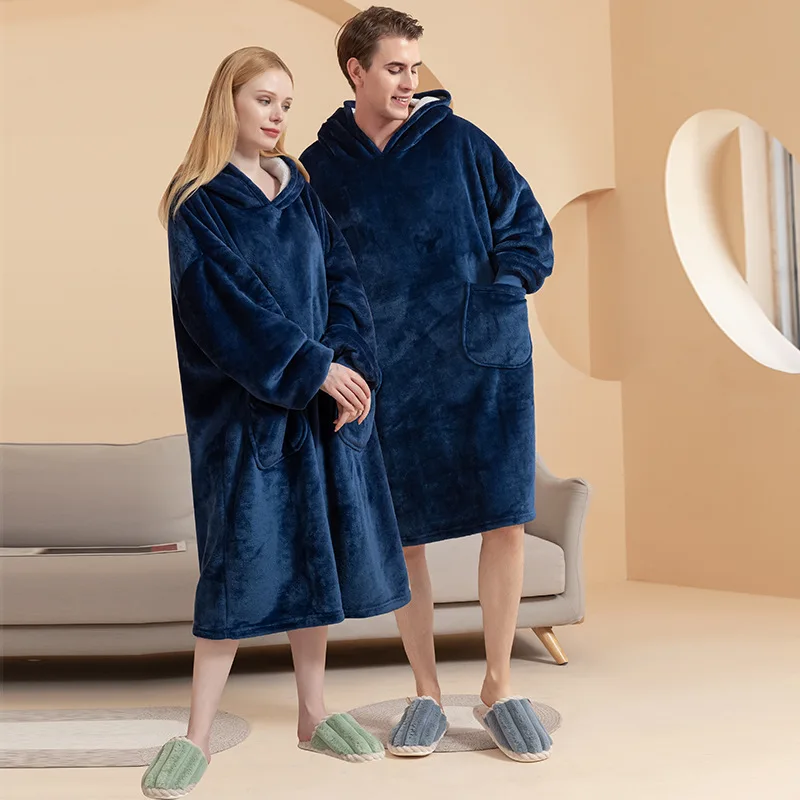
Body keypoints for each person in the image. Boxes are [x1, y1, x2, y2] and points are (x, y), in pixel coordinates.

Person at [141, 46, 410, 798]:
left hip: (319, 409)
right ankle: (197, 734)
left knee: (315, 554)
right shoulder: (198, 204)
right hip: (245, 420)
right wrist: (310, 366)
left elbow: (343, 281)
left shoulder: (299, 190)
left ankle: (312, 712)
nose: (278, 117)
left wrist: (348, 366)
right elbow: (219, 307)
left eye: (286, 104)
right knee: (236, 569)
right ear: (226, 102)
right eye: (264, 100)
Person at [301, 7, 555, 762]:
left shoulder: (462, 142)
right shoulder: (321, 167)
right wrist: (332, 360)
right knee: (404, 533)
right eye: (394, 68)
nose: (409, 81)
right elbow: (308, 276)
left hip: (484, 361)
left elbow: (528, 229)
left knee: (504, 520)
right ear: (355, 71)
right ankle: (427, 693)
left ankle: (499, 685)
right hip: (387, 374)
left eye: (414, 67)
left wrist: (502, 289)